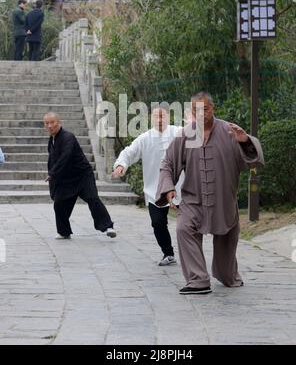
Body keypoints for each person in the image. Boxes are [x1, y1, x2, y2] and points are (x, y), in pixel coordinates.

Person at [156, 91, 264, 295]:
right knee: (183, 229)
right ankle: (198, 280)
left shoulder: (230, 131)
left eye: (204, 108)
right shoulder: (185, 135)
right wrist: (169, 188)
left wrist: (244, 141)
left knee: (226, 257)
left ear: (212, 108)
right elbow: (168, 163)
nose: (201, 113)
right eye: (196, 109)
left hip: (223, 200)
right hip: (193, 199)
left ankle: (227, 275)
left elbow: (254, 161)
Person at [113, 106, 182, 266]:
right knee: (157, 222)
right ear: (151, 119)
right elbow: (129, 152)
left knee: (186, 225)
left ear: (168, 117)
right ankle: (168, 253)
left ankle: (190, 253)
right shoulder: (145, 138)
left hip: (179, 187)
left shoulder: (178, 133)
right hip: (154, 189)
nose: (159, 120)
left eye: (162, 116)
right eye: (156, 117)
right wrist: (121, 164)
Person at [44, 112, 116, 239]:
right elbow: (52, 160)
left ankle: (108, 226)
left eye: (52, 122)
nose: (50, 126)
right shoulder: (52, 140)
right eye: (47, 123)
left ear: (59, 123)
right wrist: (52, 175)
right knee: (59, 203)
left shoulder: (68, 137)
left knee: (92, 198)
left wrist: (53, 173)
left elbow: (65, 157)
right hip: (66, 178)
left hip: (82, 175)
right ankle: (64, 232)